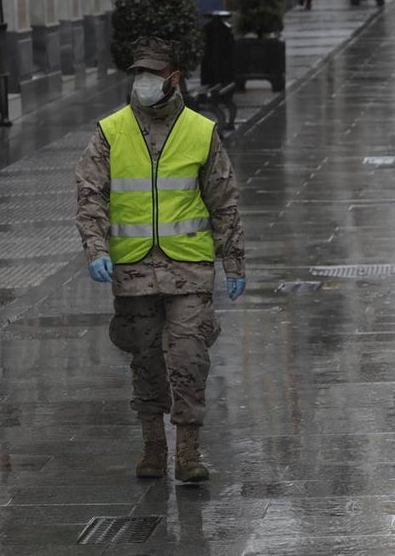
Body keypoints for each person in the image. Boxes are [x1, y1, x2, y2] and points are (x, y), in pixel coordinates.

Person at [75, 36, 246, 484]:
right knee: (146, 360)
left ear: (173, 78)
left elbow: (223, 200)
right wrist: (95, 249)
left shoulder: (200, 130)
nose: (144, 81)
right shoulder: (110, 131)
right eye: (139, 74)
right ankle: (153, 447)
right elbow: (90, 195)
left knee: (189, 357)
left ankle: (188, 453)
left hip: (188, 269)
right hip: (132, 270)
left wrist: (234, 260)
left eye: (152, 74)